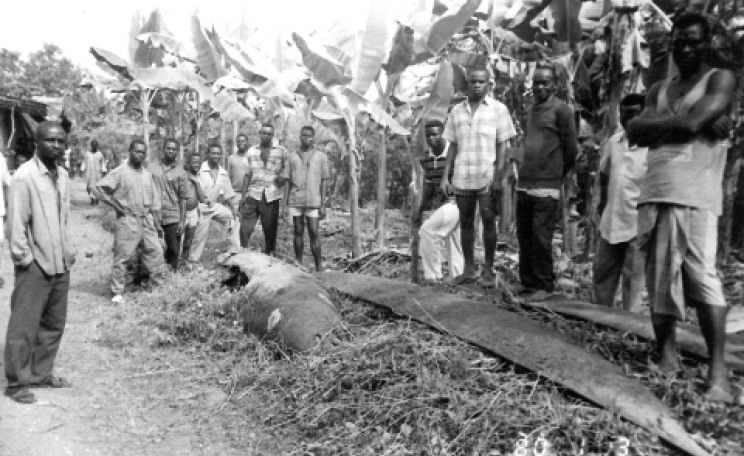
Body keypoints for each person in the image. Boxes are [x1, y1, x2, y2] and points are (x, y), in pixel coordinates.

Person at [627, 13, 737, 403]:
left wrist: (663, 124)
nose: (686, 48)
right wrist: (685, 122)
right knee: (659, 276)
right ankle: (667, 355)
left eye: (693, 41)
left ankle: (718, 374)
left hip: (694, 192)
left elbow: (689, 125)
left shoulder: (719, 79)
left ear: (707, 43)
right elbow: (633, 130)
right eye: (679, 41)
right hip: (656, 188)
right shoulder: (659, 86)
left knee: (702, 278)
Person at [4, 121, 75, 404]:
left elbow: (65, 218)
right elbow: (16, 224)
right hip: (35, 263)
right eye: (50, 140)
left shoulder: (64, 175)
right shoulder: (25, 176)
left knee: (53, 323)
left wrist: (69, 251)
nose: (56, 145)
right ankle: (17, 383)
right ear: (37, 142)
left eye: (60, 141)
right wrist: (25, 259)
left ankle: (40, 374)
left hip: (60, 263)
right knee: (24, 325)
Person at [441, 67, 516, 288]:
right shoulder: (456, 111)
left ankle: (488, 270)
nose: (476, 85)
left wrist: (499, 177)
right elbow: (452, 145)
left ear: (488, 84)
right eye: (473, 81)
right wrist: (446, 176)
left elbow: (503, 145)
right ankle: (468, 269)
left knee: (487, 218)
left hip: (487, 175)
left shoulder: (498, 110)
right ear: (467, 84)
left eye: (481, 82)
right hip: (463, 175)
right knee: (465, 222)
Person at [515, 62, 578, 301]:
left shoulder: (562, 111)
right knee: (525, 236)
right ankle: (528, 282)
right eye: (537, 82)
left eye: (545, 83)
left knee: (541, 237)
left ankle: (544, 285)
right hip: (524, 184)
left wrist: (555, 175)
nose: (540, 87)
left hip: (547, 185)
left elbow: (571, 150)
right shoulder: (532, 110)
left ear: (554, 85)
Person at [594, 94, 648, 312]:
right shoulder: (614, 142)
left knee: (633, 280)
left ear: (645, 115)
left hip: (638, 223)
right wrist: (602, 205)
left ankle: (629, 329)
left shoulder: (653, 147)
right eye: (625, 113)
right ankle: (600, 321)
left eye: (634, 113)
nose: (628, 118)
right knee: (603, 275)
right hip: (611, 220)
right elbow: (605, 174)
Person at [94, 139, 164, 304]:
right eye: (136, 151)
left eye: (142, 152)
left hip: (146, 219)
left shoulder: (147, 175)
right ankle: (117, 291)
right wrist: (115, 206)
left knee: (156, 252)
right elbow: (98, 188)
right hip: (128, 219)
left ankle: (157, 286)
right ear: (130, 151)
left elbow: (154, 202)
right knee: (123, 256)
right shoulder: (120, 172)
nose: (139, 155)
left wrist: (157, 223)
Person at [415, 120, 463, 283]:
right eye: (428, 135)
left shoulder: (454, 153)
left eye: (435, 134)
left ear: (443, 134)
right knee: (454, 241)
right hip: (444, 205)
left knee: (427, 231)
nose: (431, 138)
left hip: (457, 202)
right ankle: (457, 277)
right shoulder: (428, 158)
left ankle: (433, 276)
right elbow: (429, 185)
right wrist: (420, 210)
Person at [282, 126, 330, 271]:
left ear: (313, 138)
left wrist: (323, 204)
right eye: (303, 135)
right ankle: (299, 264)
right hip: (296, 199)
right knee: (298, 232)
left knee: (314, 232)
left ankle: (318, 266)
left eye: (309, 136)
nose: (306, 138)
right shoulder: (292, 157)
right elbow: (287, 181)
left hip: (313, 201)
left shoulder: (321, 157)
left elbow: (325, 180)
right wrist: (284, 205)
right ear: (300, 137)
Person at [188, 144, 241, 262]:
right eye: (213, 153)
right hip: (202, 207)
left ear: (221, 155)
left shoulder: (223, 172)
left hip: (215, 206)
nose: (215, 156)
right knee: (199, 236)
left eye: (218, 154)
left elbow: (228, 192)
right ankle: (192, 261)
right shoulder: (200, 169)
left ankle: (234, 251)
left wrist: (234, 209)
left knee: (233, 219)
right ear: (208, 154)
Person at [240, 123, 287, 254]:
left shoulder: (281, 151)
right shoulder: (251, 151)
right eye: (263, 133)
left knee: (270, 231)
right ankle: (241, 255)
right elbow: (247, 175)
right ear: (259, 134)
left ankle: (269, 258)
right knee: (245, 229)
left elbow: (289, 169)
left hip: (271, 196)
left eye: (269, 134)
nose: (266, 136)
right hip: (253, 194)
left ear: (273, 135)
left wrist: (282, 177)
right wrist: (243, 196)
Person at [149, 138, 190, 270]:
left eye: (174, 149)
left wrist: (182, 221)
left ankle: (171, 277)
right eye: (168, 148)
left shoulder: (181, 172)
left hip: (173, 215)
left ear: (177, 152)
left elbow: (183, 198)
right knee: (152, 249)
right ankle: (152, 275)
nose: (171, 151)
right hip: (154, 215)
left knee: (173, 249)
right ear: (163, 149)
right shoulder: (152, 168)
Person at [181, 153, 207, 265]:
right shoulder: (183, 176)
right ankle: (174, 265)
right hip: (181, 213)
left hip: (193, 213)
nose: (197, 165)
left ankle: (185, 263)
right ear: (187, 163)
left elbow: (202, 199)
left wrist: (196, 182)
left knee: (188, 241)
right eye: (194, 162)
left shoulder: (198, 178)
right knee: (178, 241)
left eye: (199, 163)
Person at [82, 140, 105, 205]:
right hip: (89, 173)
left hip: (97, 173)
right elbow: (84, 162)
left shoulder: (100, 154)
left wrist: (103, 172)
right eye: (93, 145)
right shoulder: (87, 154)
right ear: (91, 145)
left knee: (97, 187)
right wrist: (83, 171)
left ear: (97, 146)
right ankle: (92, 200)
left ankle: (97, 200)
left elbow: (102, 164)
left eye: (95, 145)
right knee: (89, 187)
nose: (94, 146)